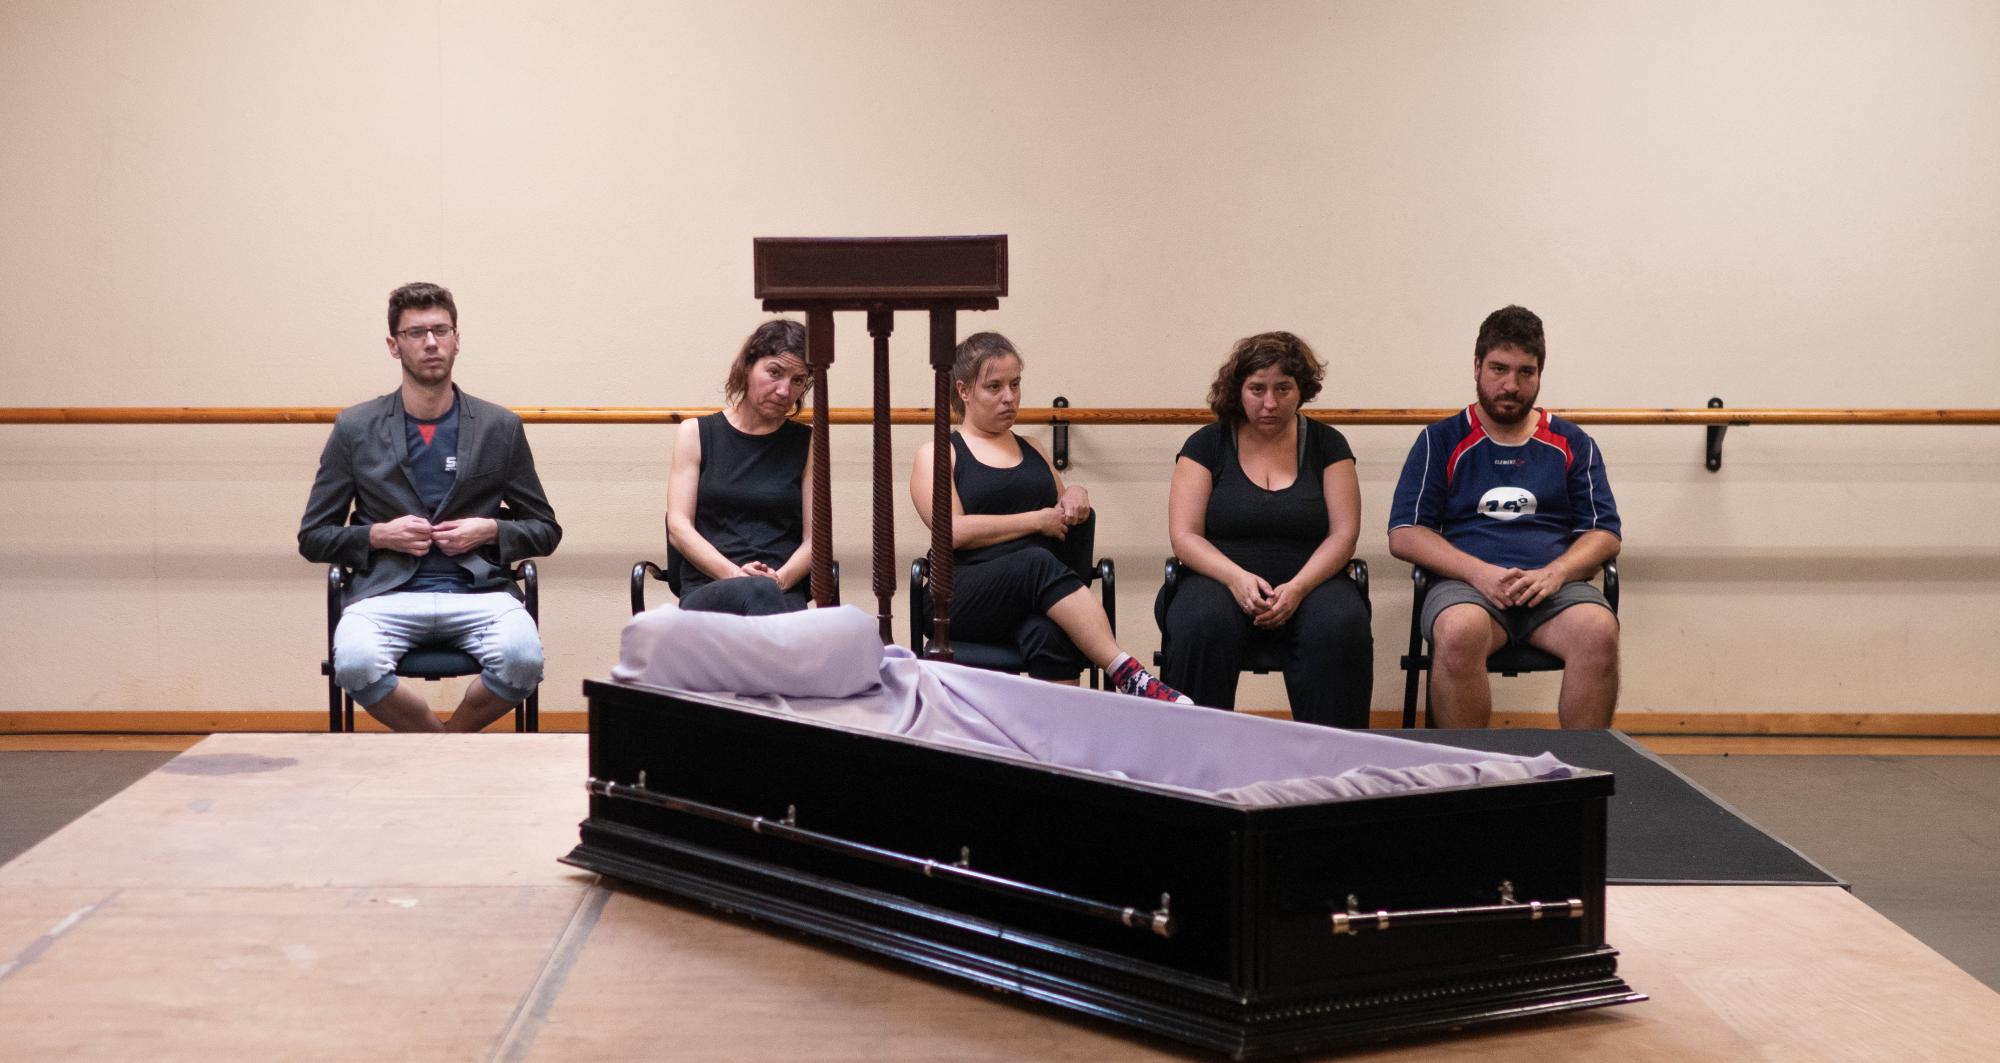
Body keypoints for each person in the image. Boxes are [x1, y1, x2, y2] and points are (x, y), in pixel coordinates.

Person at [299, 282, 561, 732]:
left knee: (523, 660)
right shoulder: (355, 428)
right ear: (394, 345)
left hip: (480, 593)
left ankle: (442, 746)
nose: (431, 343)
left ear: (457, 339)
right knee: (355, 664)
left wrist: (491, 530)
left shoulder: (499, 427)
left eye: (441, 330)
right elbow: (313, 537)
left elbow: (546, 529)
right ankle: (442, 744)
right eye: (416, 333)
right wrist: (378, 535)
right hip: (385, 594)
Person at [908, 331, 1189, 703]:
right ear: (964, 391)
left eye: (1015, 384)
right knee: (1035, 562)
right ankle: (1128, 673)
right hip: (958, 597)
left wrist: (1075, 492)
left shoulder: (1033, 448)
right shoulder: (939, 453)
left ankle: (1057, 736)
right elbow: (952, 532)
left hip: (1030, 594)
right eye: (994, 387)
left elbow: (1061, 512)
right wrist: (1035, 521)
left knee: (1050, 634)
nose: (1009, 397)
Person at [1387, 305, 1622, 728]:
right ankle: (1470, 767)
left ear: (1539, 374)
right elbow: (1405, 533)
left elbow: (1604, 533)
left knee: (1599, 630)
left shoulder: (1572, 442)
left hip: (1552, 589)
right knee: (1458, 631)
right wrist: (1479, 574)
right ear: (1477, 366)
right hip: (1466, 587)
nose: (1511, 385)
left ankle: (1583, 766)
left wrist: (1556, 573)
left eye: (1525, 372)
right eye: (1499, 369)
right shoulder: (1440, 440)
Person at [1159, 331, 1372, 726]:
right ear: (1238, 390)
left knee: (1341, 625)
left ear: (1301, 390)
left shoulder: (1328, 444)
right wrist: (1236, 578)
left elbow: (1344, 535)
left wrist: (1299, 588)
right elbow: (1185, 535)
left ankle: (1332, 757)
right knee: (1201, 622)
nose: (1270, 403)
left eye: (1283, 389)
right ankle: (1196, 751)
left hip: (1312, 583)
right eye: (1257, 389)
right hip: (1219, 580)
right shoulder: (1206, 444)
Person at [664, 320, 815, 615]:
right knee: (761, 598)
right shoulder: (695, 433)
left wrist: (779, 580)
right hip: (710, 586)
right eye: (775, 372)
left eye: (798, 380)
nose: (784, 391)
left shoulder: (808, 443)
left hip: (780, 588)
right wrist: (735, 575)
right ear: (747, 366)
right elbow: (678, 527)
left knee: (767, 598)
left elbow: (817, 539)